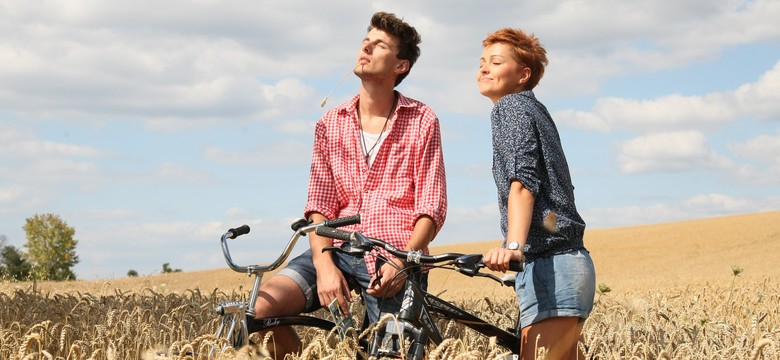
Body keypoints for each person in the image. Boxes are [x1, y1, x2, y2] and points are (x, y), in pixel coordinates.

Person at [253, 12, 447, 358]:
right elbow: (319, 207)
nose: (367, 46)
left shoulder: (422, 120)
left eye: (380, 45)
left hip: (395, 257)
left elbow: (431, 207)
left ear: (400, 66)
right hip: (337, 251)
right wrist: (325, 266)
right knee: (263, 309)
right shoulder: (330, 123)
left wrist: (402, 263)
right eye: (366, 41)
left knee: (390, 353)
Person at [477, 28, 596, 360]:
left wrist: (512, 246)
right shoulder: (536, 111)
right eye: (482, 62)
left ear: (523, 75)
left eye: (496, 62)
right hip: (562, 264)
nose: (484, 69)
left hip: (551, 266)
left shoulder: (511, 107)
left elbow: (522, 182)